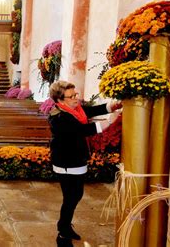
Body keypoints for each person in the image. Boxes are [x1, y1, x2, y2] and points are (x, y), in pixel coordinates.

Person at [48, 81, 121, 246]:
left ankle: (64, 225)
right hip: (66, 161)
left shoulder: (76, 110)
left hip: (77, 159)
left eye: (76, 94)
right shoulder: (58, 117)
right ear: (60, 100)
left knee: (75, 195)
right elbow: (82, 130)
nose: (76, 98)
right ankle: (63, 229)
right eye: (71, 96)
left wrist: (113, 105)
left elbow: (93, 110)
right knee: (71, 196)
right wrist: (110, 121)